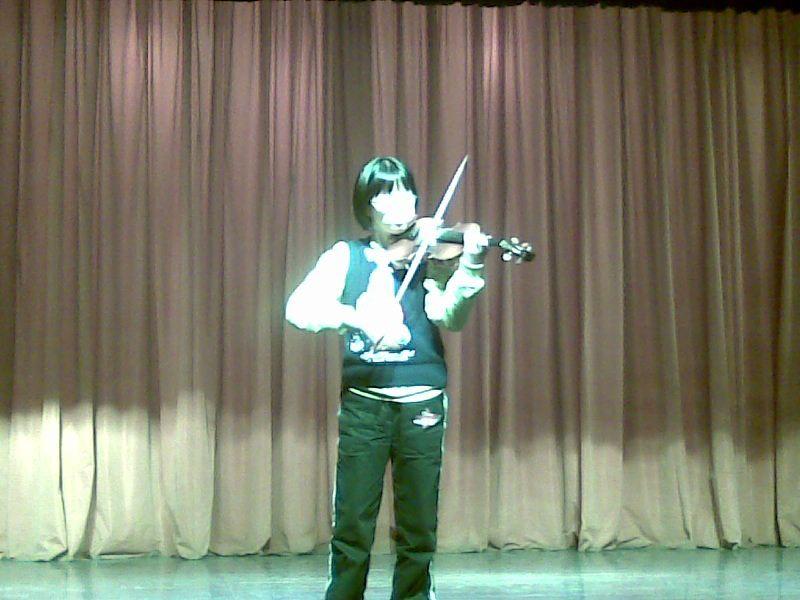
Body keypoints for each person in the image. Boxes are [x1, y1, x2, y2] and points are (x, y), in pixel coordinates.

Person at [285, 156, 488, 600]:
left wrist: (471, 267)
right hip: (365, 404)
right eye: (386, 195)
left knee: (419, 526)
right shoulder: (347, 256)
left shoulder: (431, 253)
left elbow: (450, 316)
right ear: (367, 205)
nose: (401, 205)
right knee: (353, 524)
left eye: (407, 194)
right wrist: (357, 318)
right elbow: (298, 309)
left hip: (422, 404)